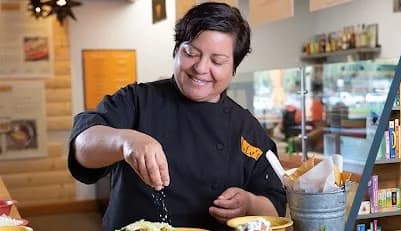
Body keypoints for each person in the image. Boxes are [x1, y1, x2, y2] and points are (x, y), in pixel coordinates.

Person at [67, 3, 286, 230]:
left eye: (217, 61)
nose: (200, 68)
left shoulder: (246, 127)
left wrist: (249, 203)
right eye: (191, 52)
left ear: (233, 67)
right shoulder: (138, 100)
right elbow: (82, 146)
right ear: (176, 50)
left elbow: (276, 207)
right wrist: (126, 141)